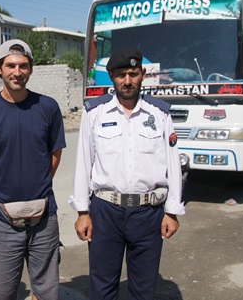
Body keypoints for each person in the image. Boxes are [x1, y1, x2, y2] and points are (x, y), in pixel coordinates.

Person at [69, 47, 185, 300]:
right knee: (102, 287)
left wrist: (172, 212)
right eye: (121, 74)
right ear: (112, 77)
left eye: (133, 73)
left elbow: (173, 165)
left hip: (148, 213)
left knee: (144, 289)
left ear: (142, 74)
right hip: (105, 212)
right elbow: (84, 164)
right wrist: (82, 212)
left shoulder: (160, 113)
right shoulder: (94, 113)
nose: (128, 81)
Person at [0, 39, 66, 300]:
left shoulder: (48, 107)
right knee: (1, 292)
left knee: (47, 291)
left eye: (23, 66)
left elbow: (55, 153)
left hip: (45, 218)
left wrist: (38, 184)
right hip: (3, 221)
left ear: (31, 70)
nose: (17, 72)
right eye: (10, 65)